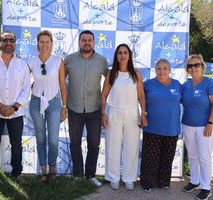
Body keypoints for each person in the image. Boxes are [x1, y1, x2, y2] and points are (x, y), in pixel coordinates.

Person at [0, 31, 31, 184]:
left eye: (11, 40)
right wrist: (0, 106)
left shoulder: (22, 64)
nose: (8, 42)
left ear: (15, 43)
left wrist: (14, 107)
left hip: (16, 113)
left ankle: (17, 173)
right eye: (5, 40)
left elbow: (26, 89)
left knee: (16, 143)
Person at [64, 30, 108, 186]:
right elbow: (59, 81)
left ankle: (90, 175)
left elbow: (110, 80)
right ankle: (77, 174)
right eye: (84, 40)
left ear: (94, 43)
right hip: (74, 108)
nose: (87, 42)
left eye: (90, 40)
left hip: (95, 109)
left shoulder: (102, 61)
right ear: (79, 42)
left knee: (93, 144)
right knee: (75, 143)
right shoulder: (69, 60)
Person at [101, 43, 147, 190]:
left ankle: (129, 178)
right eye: (120, 53)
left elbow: (141, 95)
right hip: (114, 111)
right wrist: (103, 113)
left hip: (132, 113)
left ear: (129, 56)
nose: (122, 55)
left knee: (131, 146)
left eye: (125, 52)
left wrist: (143, 113)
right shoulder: (111, 73)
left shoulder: (136, 74)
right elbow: (104, 95)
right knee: (112, 145)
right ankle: (113, 177)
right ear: (116, 56)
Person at [28, 30, 67, 182]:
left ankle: (53, 171)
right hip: (36, 102)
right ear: (37, 44)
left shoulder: (58, 61)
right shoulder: (31, 61)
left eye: (47, 42)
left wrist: (64, 107)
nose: (44, 45)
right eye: (42, 42)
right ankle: (44, 172)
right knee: (40, 138)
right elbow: (23, 81)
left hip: (55, 102)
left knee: (53, 140)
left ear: (51, 44)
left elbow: (63, 85)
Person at [182, 54, 213, 200]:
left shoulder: (209, 83)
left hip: (205, 126)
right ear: (187, 69)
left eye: (196, 65)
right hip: (187, 125)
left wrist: (210, 123)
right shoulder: (185, 85)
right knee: (192, 155)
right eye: (190, 66)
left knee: (204, 157)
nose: (194, 68)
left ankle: (206, 187)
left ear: (202, 66)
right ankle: (194, 180)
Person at [140, 59, 182, 192]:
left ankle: (163, 181)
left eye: (165, 68)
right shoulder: (147, 84)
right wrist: (143, 115)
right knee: (150, 157)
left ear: (170, 71)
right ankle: (147, 182)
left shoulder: (178, 85)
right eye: (159, 68)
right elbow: (138, 99)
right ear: (155, 70)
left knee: (167, 157)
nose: (162, 71)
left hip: (171, 128)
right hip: (152, 127)